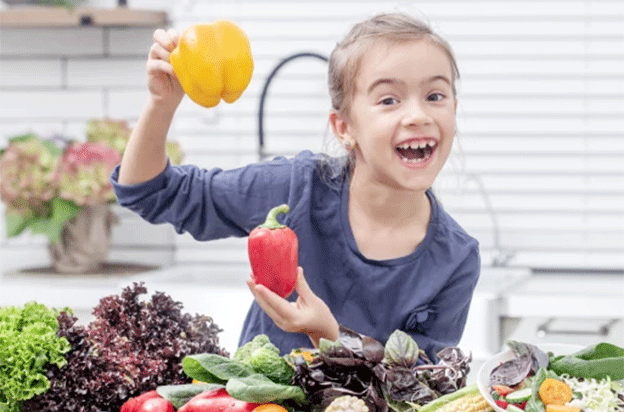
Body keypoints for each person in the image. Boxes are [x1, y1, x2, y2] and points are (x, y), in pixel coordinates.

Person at [111, 12, 480, 361]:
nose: (418, 115)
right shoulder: (297, 188)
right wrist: (162, 103)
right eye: (389, 100)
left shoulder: (456, 259)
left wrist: (329, 336)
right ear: (344, 128)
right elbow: (148, 191)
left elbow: (425, 389)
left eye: (435, 96)